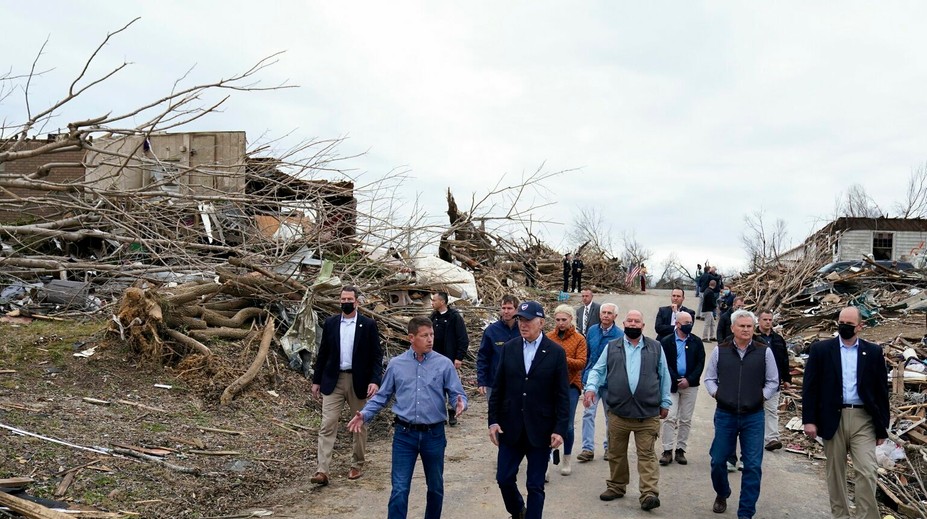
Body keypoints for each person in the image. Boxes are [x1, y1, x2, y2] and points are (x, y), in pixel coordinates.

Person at [347, 316, 468, 519]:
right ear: (411, 337)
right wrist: (365, 414)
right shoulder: (396, 365)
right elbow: (383, 396)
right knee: (400, 489)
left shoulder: (444, 364)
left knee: (436, 487)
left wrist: (460, 402)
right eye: (424, 335)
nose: (430, 339)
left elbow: (458, 393)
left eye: (432, 335)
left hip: (434, 435)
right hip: (404, 436)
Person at [802, 307, 890, 519]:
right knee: (835, 474)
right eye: (841, 322)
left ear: (860, 326)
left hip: (863, 419)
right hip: (833, 418)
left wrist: (882, 428)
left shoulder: (873, 352)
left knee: (867, 471)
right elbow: (810, 387)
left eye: (849, 324)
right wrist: (809, 420)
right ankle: (841, 516)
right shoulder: (821, 350)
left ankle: (866, 516)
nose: (844, 327)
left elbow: (881, 392)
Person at [488, 300, 569, 519]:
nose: (523, 324)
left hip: (540, 429)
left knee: (535, 485)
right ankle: (518, 511)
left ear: (541, 322)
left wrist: (560, 428)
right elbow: (498, 388)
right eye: (520, 320)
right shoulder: (510, 348)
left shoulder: (555, 353)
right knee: (504, 478)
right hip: (510, 427)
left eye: (528, 320)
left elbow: (562, 395)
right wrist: (493, 421)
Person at [583, 310, 671, 511]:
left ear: (643, 326)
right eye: (629, 321)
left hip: (646, 414)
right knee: (616, 453)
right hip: (618, 413)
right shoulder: (612, 347)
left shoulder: (655, 347)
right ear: (624, 324)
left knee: (647, 455)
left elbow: (664, 375)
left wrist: (665, 402)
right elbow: (598, 370)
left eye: (637, 321)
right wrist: (590, 388)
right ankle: (616, 486)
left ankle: (649, 493)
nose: (633, 324)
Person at [704, 310, 779, 519]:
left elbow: (773, 381)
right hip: (726, 414)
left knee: (753, 466)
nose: (746, 330)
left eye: (749, 326)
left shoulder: (764, 351)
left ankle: (745, 513)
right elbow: (709, 378)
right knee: (718, 461)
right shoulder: (721, 350)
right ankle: (722, 492)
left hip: (753, 416)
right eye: (742, 326)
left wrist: (761, 397)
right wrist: (717, 393)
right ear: (733, 328)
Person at [310, 286, 384, 485]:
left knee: (359, 423)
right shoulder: (331, 323)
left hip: (358, 381)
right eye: (343, 299)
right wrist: (316, 380)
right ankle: (322, 470)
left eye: (349, 298)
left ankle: (356, 464)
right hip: (333, 380)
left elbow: (377, 356)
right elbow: (323, 353)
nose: (346, 302)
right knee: (327, 423)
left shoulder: (367, 324)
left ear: (357, 301)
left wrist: (375, 380)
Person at [576, 303, 624, 463]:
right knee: (588, 413)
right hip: (592, 379)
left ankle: (609, 448)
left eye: (609, 313)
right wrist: (583, 376)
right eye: (603, 312)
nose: (605, 315)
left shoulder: (619, 335)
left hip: (610, 382)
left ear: (615, 316)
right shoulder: (592, 331)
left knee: (610, 416)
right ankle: (587, 448)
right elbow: (587, 354)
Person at [658, 311, 705, 466]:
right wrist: (676, 378)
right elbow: (663, 364)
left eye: (690, 322)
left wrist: (689, 379)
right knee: (670, 417)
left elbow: (700, 363)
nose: (689, 325)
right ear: (677, 324)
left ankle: (680, 449)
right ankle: (667, 450)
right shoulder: (666, 341)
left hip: (690, 386)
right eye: (686, 323)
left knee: (685, 419)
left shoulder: (696, 342)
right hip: (671, 385)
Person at [545, 304, 587, 476]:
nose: (561, 323)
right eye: (558, 320)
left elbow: (581, 363)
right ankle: (545, 461)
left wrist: (561, 357)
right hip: (549, 385)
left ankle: (567, 458)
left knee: (567, 424)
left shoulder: (579, 339)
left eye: (564, 319)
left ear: (571, 320)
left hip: (571, 384)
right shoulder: (548, 337)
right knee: (547, 422)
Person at [430, 292, 469, 426]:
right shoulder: (433, 317)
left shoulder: (454, 317)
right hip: (434, 359)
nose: (432, 303)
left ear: (442, 302)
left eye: (434, 300)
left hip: (450, 358)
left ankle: (453, 412)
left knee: (451, 387)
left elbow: (463, 338)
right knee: (436, 387)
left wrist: (459, 357)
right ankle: (438, 414)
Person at [755, 309, 790, 451]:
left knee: (771, 410)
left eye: (770, 319)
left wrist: (787, 378)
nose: (768, 322)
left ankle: (772, 438)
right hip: (755, 381)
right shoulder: (753, 338)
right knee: (754, 410)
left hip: (773, 382)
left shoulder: (778, 339)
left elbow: (784, 360)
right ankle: (751, 436)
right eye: (765, 319)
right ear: (759, 320)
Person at [477, 295, 521, 400]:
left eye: (510, 308)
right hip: (494, 382)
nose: (506, 311)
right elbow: (483, 357)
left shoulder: (523, 330)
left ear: (516, 310)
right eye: (503, 308)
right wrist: (482, 381)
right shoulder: (491, 331)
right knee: (495, 414)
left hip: (518, 382)